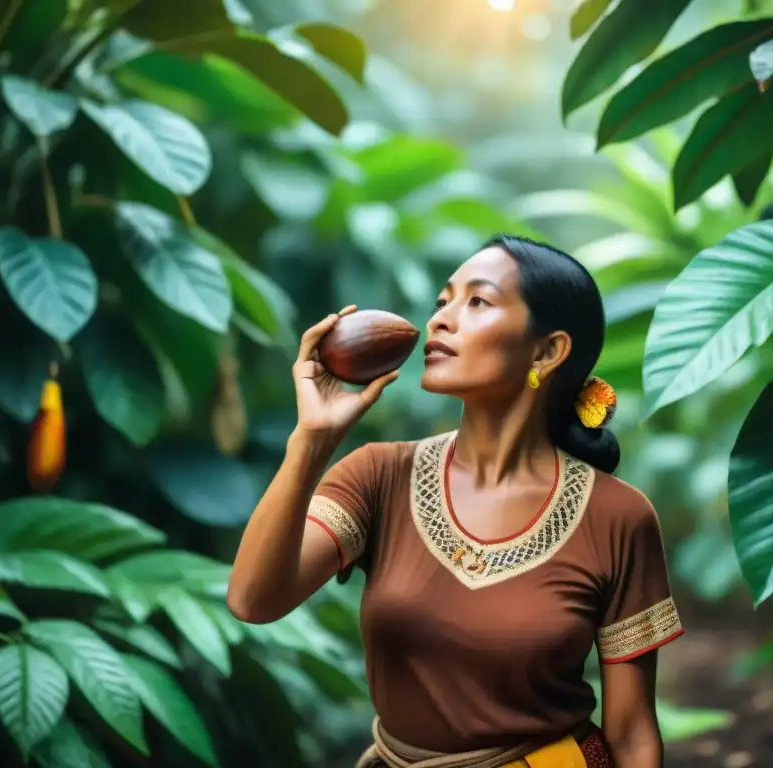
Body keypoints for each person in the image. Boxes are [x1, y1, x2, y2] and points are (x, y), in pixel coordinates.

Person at [226, 234, 684, 768]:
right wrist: (311, 442)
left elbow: (630, 732)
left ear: (547, 351)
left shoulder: (618, 517)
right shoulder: (379, 475)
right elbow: (253, 600)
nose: (440, 320)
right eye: (443, 302)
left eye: (478, 301)